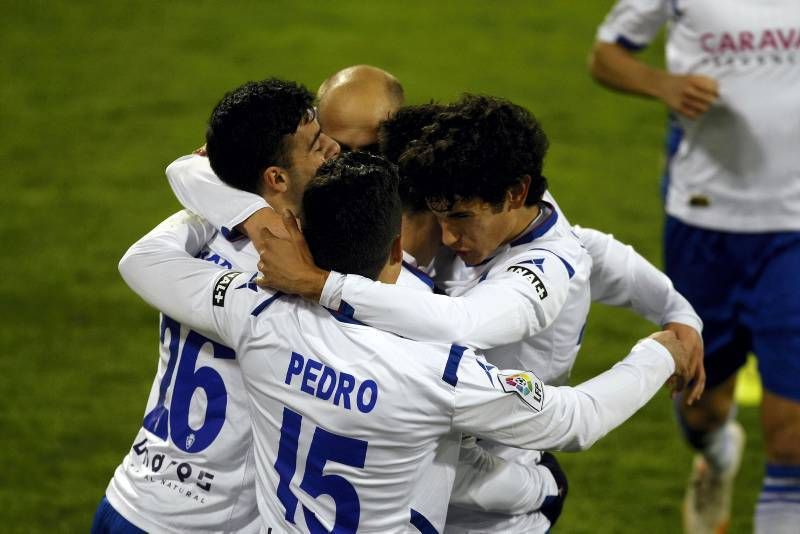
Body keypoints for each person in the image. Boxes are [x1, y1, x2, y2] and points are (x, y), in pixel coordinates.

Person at [118, 150, 693, 533]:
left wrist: (246, 220)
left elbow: (148, 255)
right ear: (397, 249)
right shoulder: (434, 370)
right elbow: (576, 418)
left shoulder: (260, 315)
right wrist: (659, 350)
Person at [255, 94, 703, 533]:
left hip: (491, 489)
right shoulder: (505, 204)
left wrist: (322, 284)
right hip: (429, 453)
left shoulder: (540, 275)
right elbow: (595, 249)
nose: (449, 237)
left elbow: (463, 322)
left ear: (516, 193)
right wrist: (676, 308)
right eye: (439, 217)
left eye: (462, 218)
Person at [91, 78, 339, 533]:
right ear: (276, 177)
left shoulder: (197, 238)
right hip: (200, 524)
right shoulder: (296, 276)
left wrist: (237, 204)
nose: (335, 149)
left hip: (127, 499)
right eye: (317, 144)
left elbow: (184, 185)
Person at [589, 3, 800, 533]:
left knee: (792, 442)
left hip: (794, 229)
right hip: (705, 224)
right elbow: (606, 56)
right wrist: (661, 83)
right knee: (700, 407)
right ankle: (717, 452)